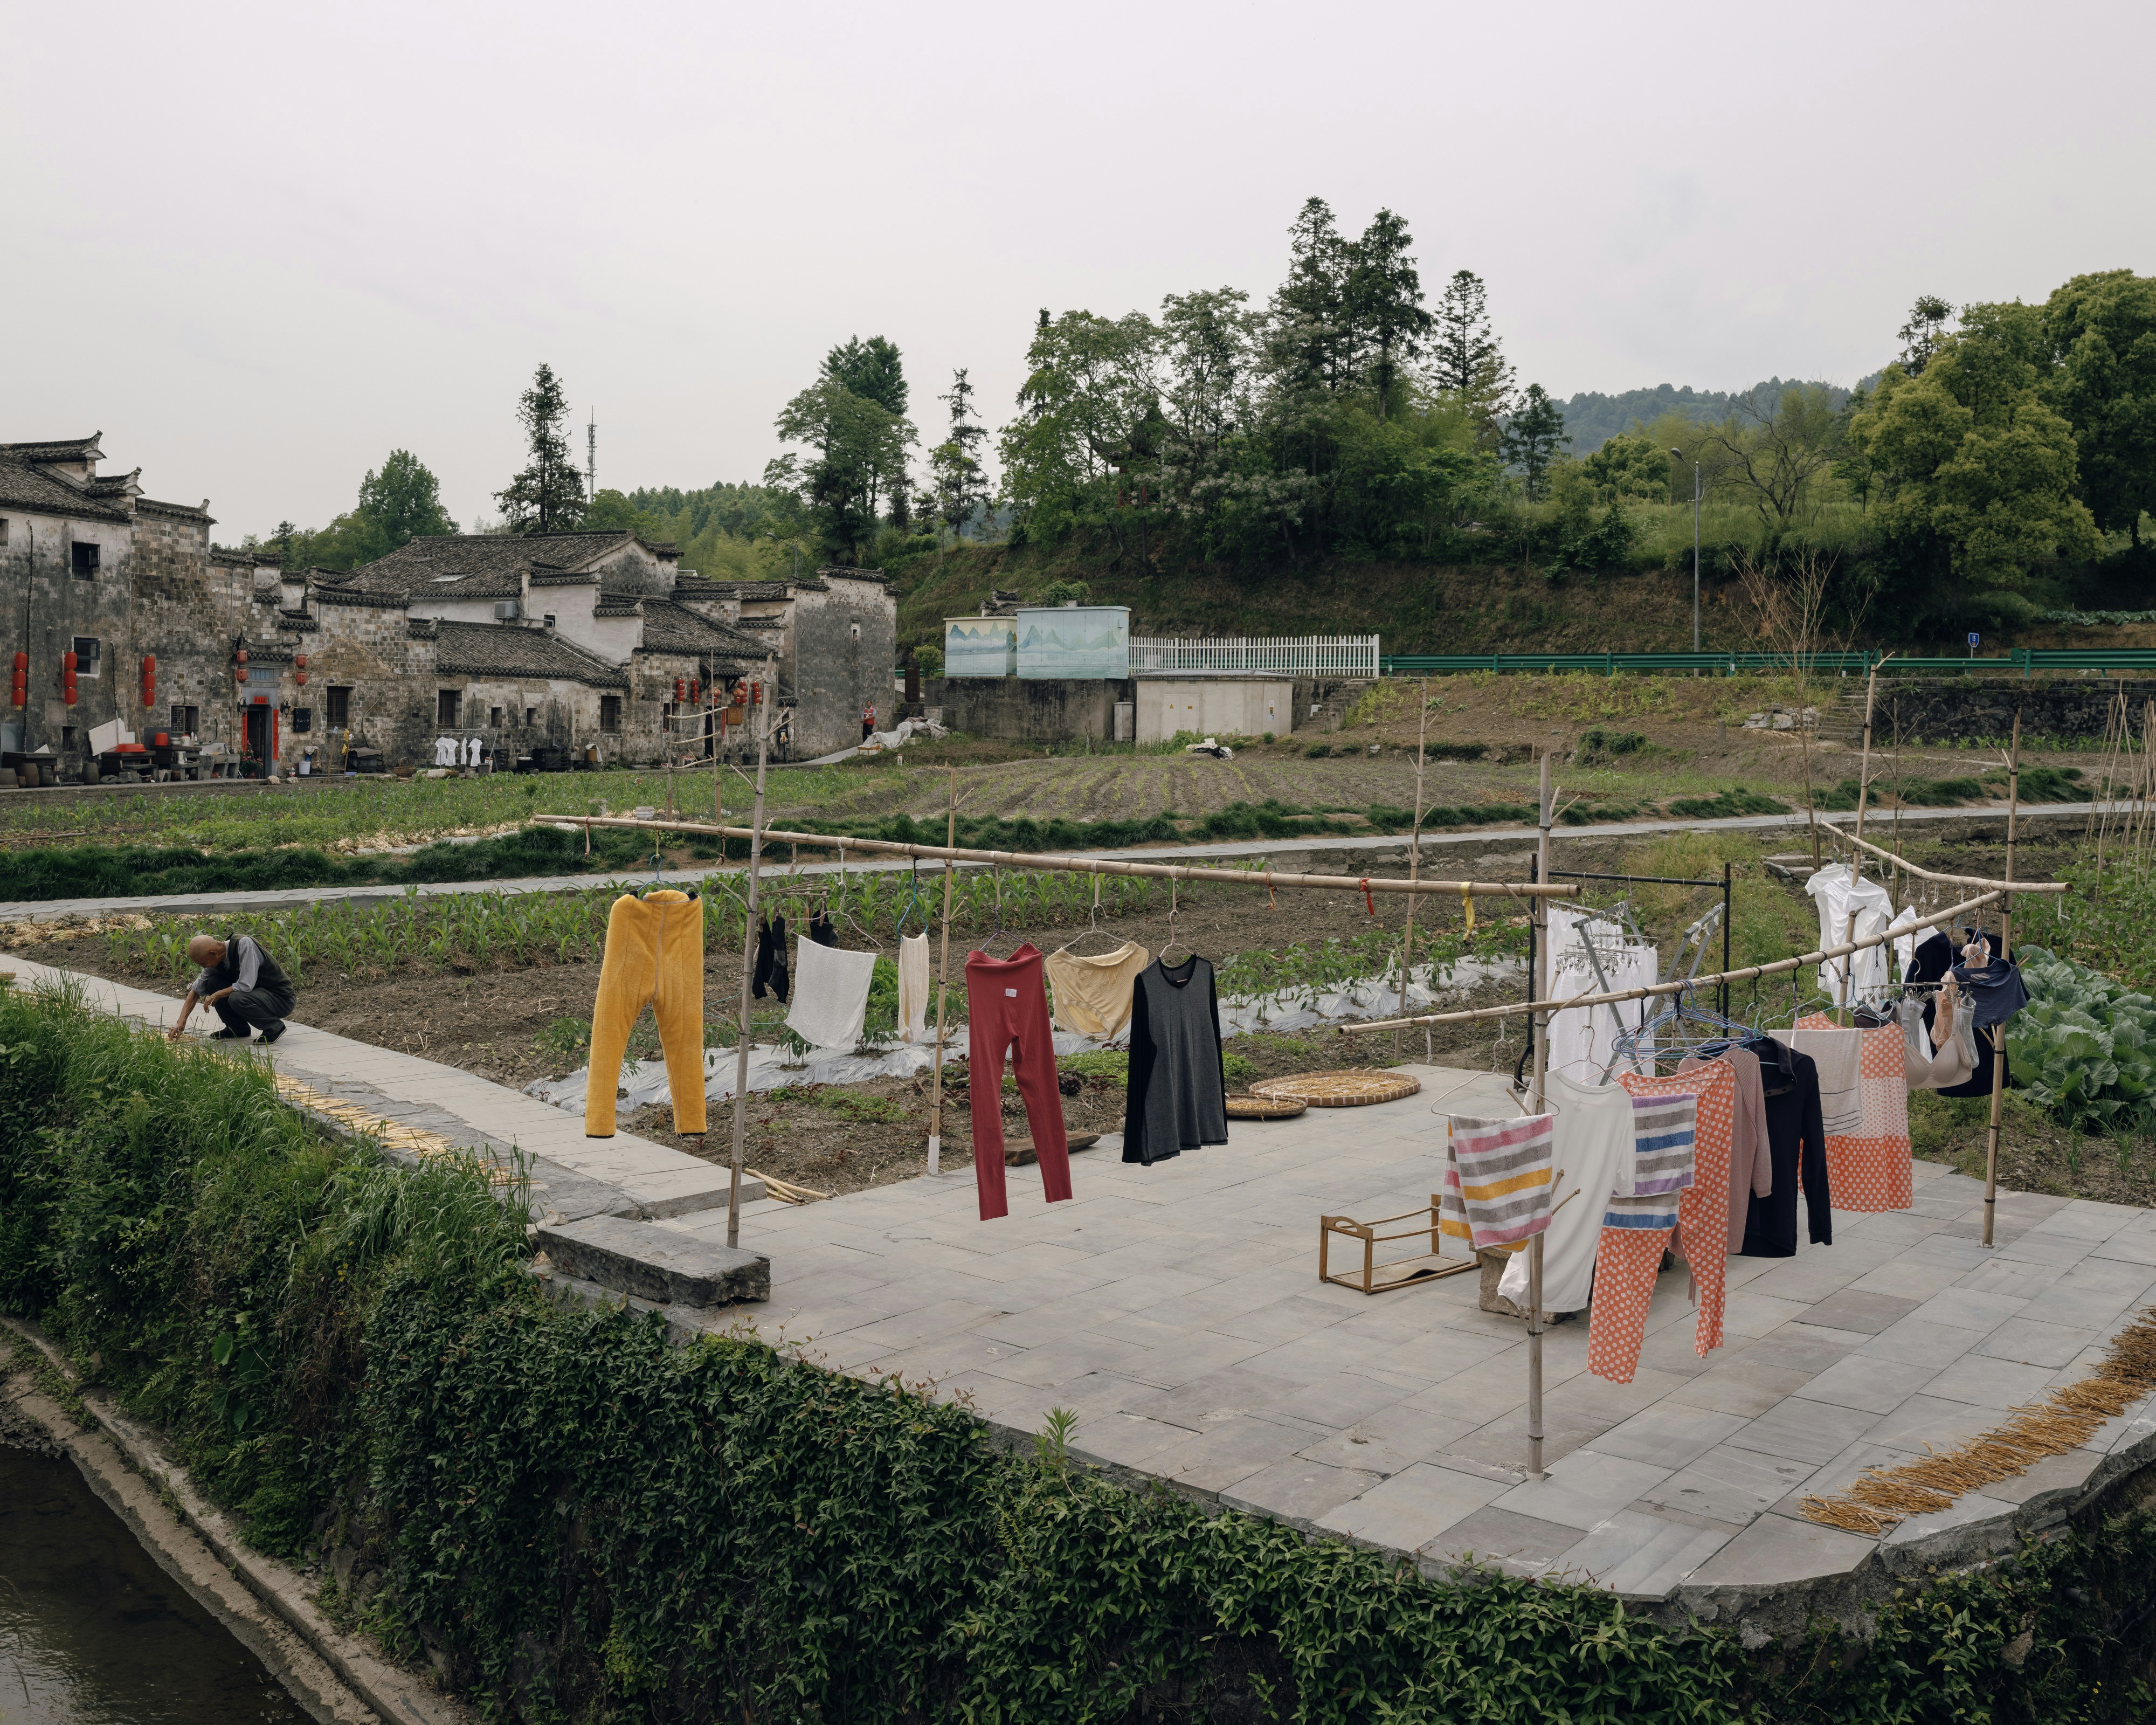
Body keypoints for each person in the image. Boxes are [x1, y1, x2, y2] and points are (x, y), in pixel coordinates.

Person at [167, 933, 297, 1045]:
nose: (204, 967)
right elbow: (196, 990)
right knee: (212, 982)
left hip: (281, 999)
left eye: (203, 963)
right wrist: (181, 1021)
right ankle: (237, 1029)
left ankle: (274, 1027)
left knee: (237, 997)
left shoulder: (245, 945)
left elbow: (246, 985)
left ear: (213, 954)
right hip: (259, 996)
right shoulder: (216, 962)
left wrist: (216, 995)